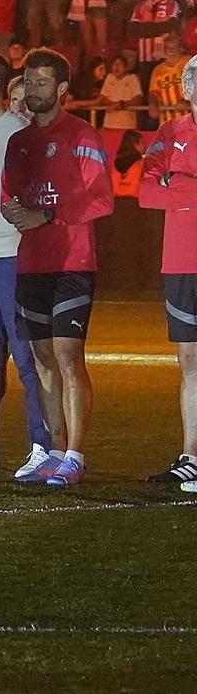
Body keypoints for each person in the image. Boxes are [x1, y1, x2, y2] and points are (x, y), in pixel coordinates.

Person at [1, 49, 115, 486]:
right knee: (42, 357)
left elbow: (102, 198)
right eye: (28, 82)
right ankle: (51, 448)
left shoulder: (82, 135)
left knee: (68, 355)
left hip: (72, 261)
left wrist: (47, 216)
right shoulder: (19, 142)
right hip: (31, 263)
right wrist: (13, 211)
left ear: (62, 89)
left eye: (41, 83)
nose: (32, 90)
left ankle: (75, 455)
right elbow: (6, 196)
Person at [139, 60, 197, 488]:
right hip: (180, 260)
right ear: (187, 90)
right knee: (190, 360)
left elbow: (164, 188)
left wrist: (176, 182)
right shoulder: (170, 133)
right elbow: (144, 191)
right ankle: (191, 455)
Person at [101, 54, 143, 130]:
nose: (116, 67)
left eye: (119, 64)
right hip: (109, 124)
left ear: (126, 67)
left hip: (127, 125)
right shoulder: (109, 77)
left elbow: (138, 99)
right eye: (114, 64)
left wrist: (121, 104)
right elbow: (103, 97)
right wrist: (112, 104)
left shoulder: (133, 78)